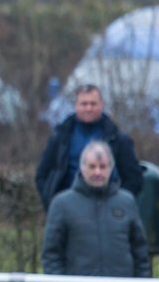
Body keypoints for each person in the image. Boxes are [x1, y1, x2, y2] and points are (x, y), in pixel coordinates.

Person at [41, 141, 150, 282]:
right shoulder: (62, 204)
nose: (98, 172)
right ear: (82, 167)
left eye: (103, 166)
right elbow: (51, 256)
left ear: (111, 168)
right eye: (92, 166)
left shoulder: (127, 202)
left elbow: (140, 254)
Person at [35, 83, 143, 211]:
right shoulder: (59, 138)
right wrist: (53, 203)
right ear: (75, 106)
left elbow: (134, 179)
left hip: (107, 213)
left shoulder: (119, 140)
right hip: (68, 211)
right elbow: (42, 175)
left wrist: (119, 207)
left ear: (101, 105)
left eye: (93, 104)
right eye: (84, 104)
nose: (88, 108)